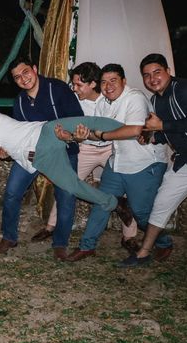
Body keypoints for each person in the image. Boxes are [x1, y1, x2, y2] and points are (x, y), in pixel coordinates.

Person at [0, 109, 141, 252]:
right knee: (72, 187)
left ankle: (137, 130)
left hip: (47, 132)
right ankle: (117, 204)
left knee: (89, 121)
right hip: (41, 159)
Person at [65, 64, 168, 262]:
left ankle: (164, 242)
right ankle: (87, 246)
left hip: (144, 163)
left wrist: (102, 134)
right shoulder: (104, 104)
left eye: (113, 80)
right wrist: (79, 137)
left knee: (141, 213)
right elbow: (98, 135)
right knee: (103, 202)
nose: (108, 86)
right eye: (104, 82)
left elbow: (134, 131)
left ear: (124, 81)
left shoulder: (135, 98)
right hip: (118, 162)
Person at [34, 62, 139, 253]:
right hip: (86, 149)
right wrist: (72, 137)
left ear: (92, 84)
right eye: (73, 84)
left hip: (110, 148)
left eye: (78, 84)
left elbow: (122, 126)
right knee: (66, 183)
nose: (74, 89)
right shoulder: (75, 102)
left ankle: (129, 237)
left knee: (123, 188)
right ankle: (51, 226)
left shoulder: (110, 100)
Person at [119, 53, 187, 267]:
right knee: (161, 204)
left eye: (157, 72)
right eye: (146, 75)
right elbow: (168, 132)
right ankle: (144, 253)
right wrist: (152, 137)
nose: (152, 78)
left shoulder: (184, 88)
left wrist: (162, 127)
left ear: (168, 71)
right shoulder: (155, 101)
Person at [0, 57, 84, 259]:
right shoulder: (19, 101)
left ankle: (60, 243)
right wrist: (8, 152)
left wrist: (68, 136)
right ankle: (9, 236)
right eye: (17, 77)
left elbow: (76, 121)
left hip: (63, 151)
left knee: (66, 196)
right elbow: (18, 134)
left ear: (35, 69)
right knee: (12, 192)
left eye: (25, 72)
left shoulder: (58, 89)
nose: (23, 79)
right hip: (32, 153)